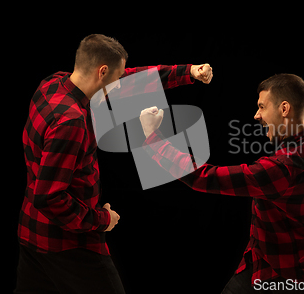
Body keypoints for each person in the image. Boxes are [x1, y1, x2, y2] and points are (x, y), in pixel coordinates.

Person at [15, 34, 213, 294]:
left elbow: (135, 80)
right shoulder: (71, 121)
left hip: (32, 232)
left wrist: (188, 72)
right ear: (102, 72)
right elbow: (49, 197)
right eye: (116, 78)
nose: (120, 85)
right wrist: (102, 219)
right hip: (68, 242)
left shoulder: (52, 83)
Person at [139, 73, 304, 293]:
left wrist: (153, 139)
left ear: (284, 109)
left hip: (290, 276)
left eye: (262, 106)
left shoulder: (281, 167)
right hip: (264, 264)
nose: (256, 115)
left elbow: (204, 177)